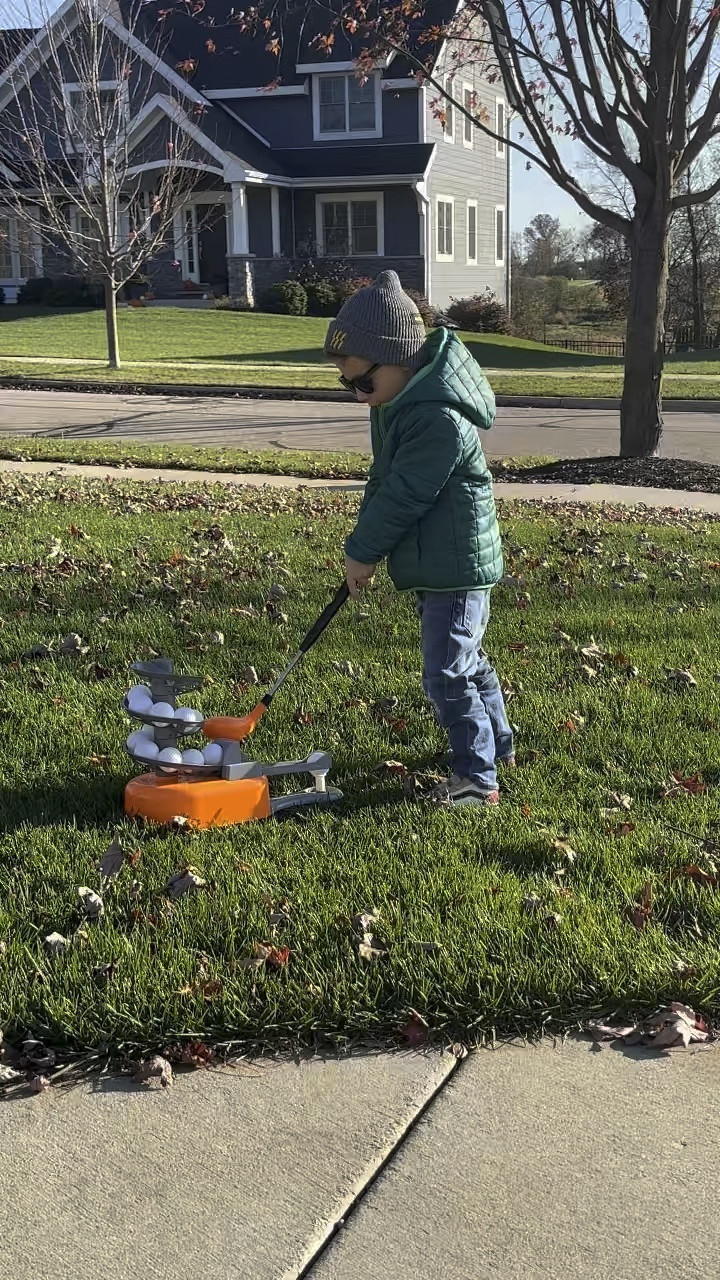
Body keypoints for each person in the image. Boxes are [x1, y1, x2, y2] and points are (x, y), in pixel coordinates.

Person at [324, 270, 514, 807]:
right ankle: (498, 744)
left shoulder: (435, 417)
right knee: (466, 662)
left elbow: (406, 493)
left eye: (363, 382)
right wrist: (360, 550)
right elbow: (383, 481)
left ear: (401, 358)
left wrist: (364, 551)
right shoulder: (397, 402)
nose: (358, 396)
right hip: (439, 562)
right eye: (348, 386)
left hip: (457, 565)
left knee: (446, 674)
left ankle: (477, 780)